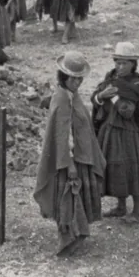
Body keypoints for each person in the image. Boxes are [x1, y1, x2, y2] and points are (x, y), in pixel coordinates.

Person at [34, 51, 106, 257]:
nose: (77, 82)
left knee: (76, 199)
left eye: (80, 78)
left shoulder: (72, 96)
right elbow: (62, 136)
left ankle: (77, 235)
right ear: (63, 76)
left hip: (79, 156)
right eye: (73, 78)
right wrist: (70, 165)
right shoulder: (62, 99)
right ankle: (66, 240)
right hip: (67, 160)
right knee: (67, 199)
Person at [91, 42, 139, 224]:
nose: (119, 67)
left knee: (131, 168)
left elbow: (127, 111)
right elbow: (95, 97)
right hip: (109, 130)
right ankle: (121, 206)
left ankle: (137, 211)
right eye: (117, 62)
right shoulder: (110, 78)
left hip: (128, 133)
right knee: (115, 169)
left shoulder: (135, 83)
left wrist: (113, 97)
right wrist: (101, 96)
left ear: (133, 64)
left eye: (124, 63)